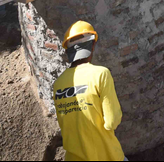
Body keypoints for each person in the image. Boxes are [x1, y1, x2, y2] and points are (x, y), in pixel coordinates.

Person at [54, 21, 125, 162]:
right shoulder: (100, 74)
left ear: (68, 51)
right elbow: (112, 121)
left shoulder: (58, 84)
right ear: (92, 46)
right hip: (106, 155)